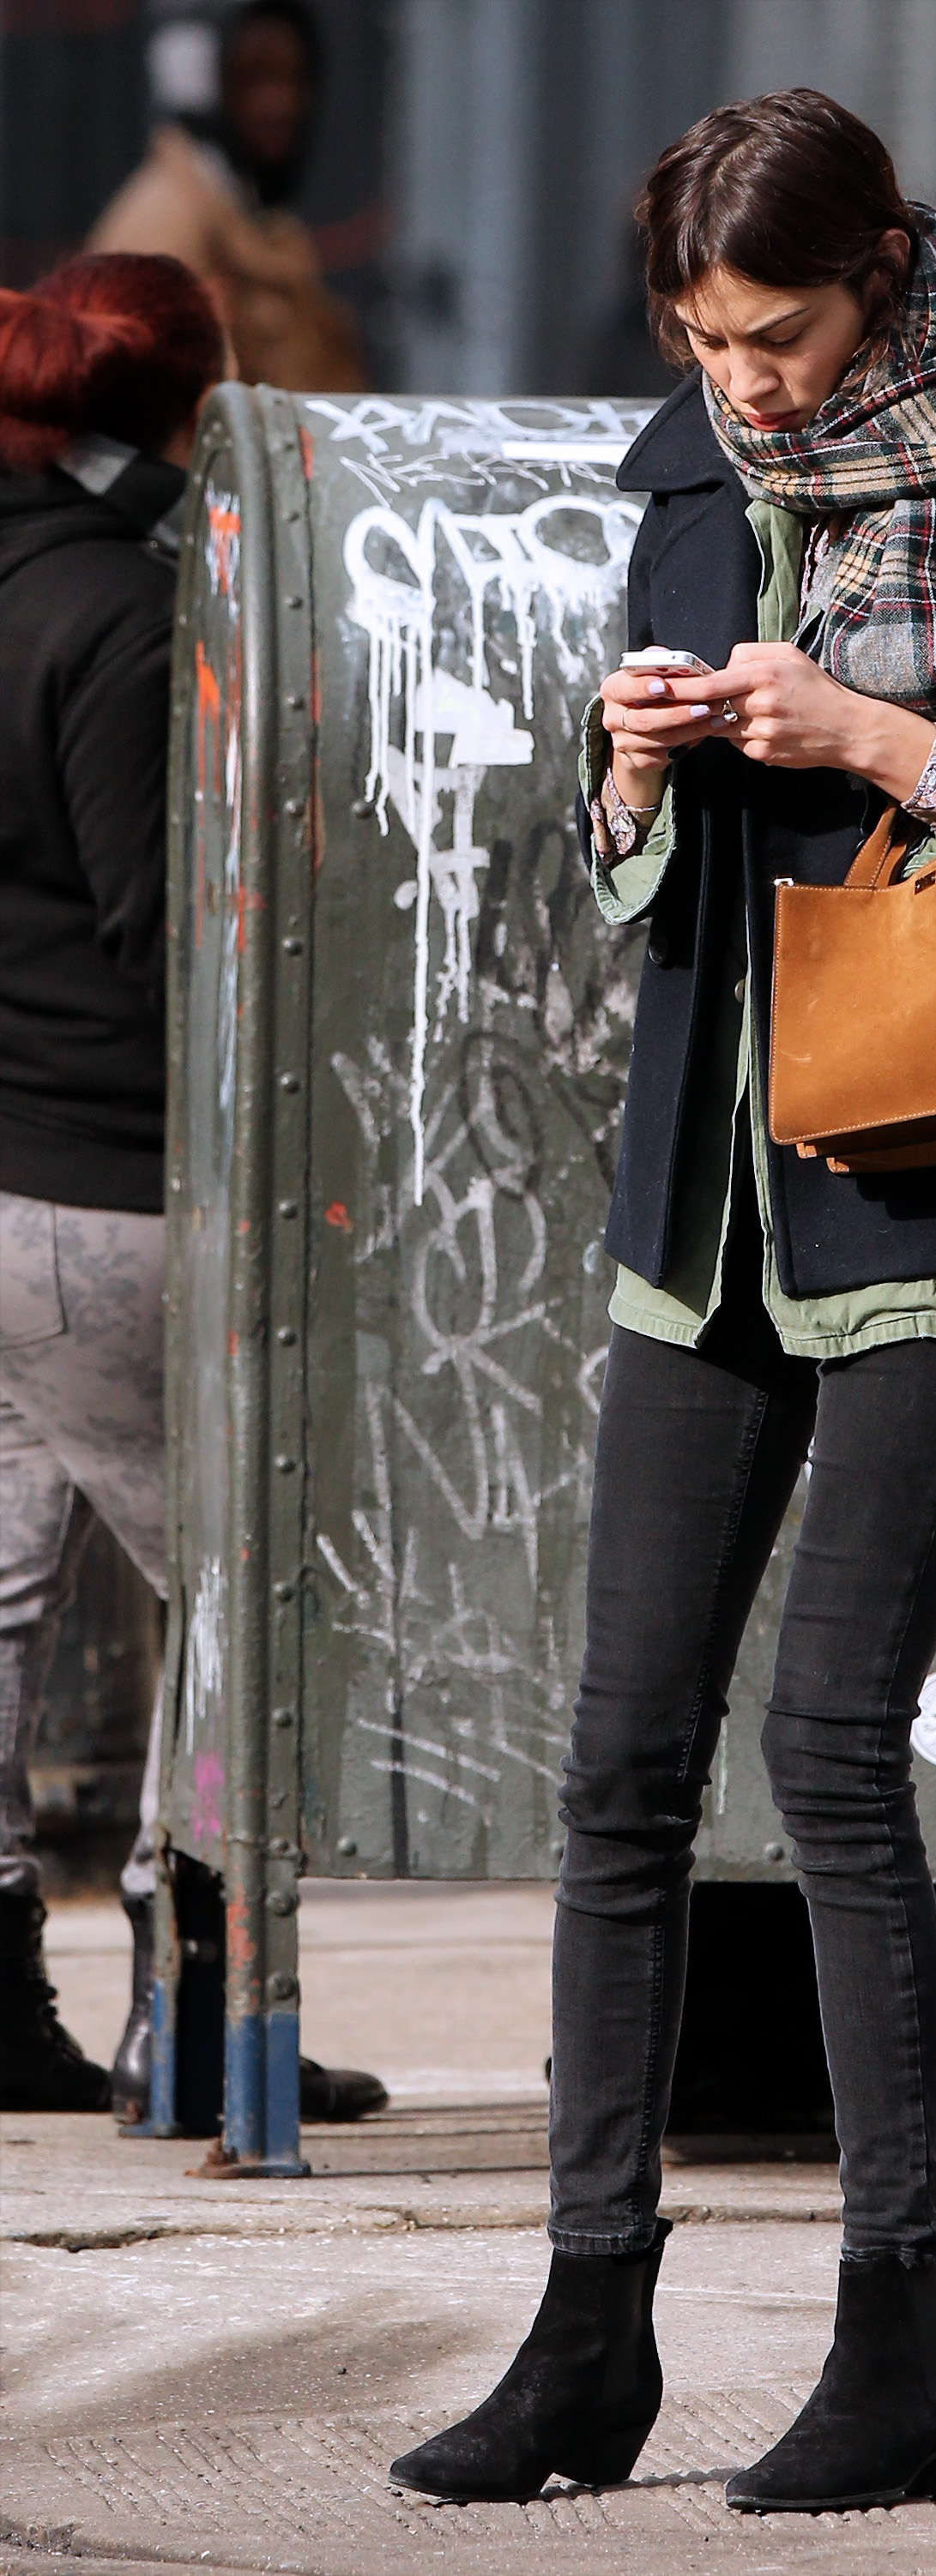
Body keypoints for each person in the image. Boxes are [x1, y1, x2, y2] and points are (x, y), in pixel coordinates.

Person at [389, 88, 936, 2518]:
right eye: (701, 332)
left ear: (884, 272)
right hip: (707, 1195)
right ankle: (585, 2335)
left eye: (782, 329)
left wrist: (885, 741)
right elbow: (634, 886)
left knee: (834, 1749)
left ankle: (904, 2343)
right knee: (618, 1765)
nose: (743, 376)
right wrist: (638, 777)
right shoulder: (682, 463)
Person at [0, 251, 383, 2128]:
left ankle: (1, 1998)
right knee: (236, 1591)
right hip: (96, 1185)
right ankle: (205, 2000)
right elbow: (172, 944)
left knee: (1, 1598)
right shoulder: (113, 614)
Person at [88, 0, 366, 393]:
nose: (280, 105)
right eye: (255, 78)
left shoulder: (265, 226)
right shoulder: (162, 224)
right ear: (210, 84)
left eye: (295, 79)